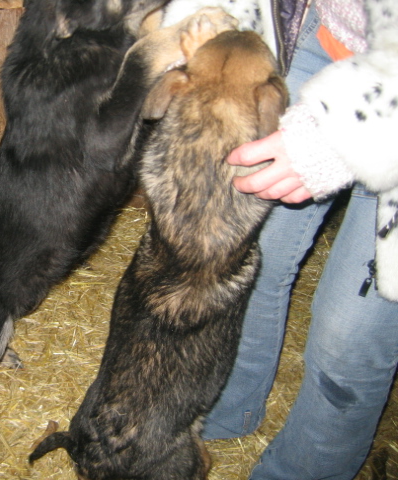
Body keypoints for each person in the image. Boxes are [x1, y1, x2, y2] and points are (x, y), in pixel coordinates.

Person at [200, 0, 398, 478]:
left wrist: (335, 134)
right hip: (331, 37)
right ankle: (228, 406)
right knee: (248, 255)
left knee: (347, 335)